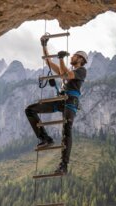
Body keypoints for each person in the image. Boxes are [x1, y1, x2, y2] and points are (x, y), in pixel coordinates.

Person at [25, 35, 87, 174]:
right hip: (61, 100)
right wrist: (44, 46)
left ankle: (63, 166)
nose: (72, 58)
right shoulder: (66, 68)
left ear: (81, 60)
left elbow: (67, 75)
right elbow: (48, 63)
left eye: (75, 56)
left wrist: (60, 59)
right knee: (30, 110)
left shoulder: (81, 71)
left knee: (67, 130)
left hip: (71, 101)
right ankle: (45, 138)